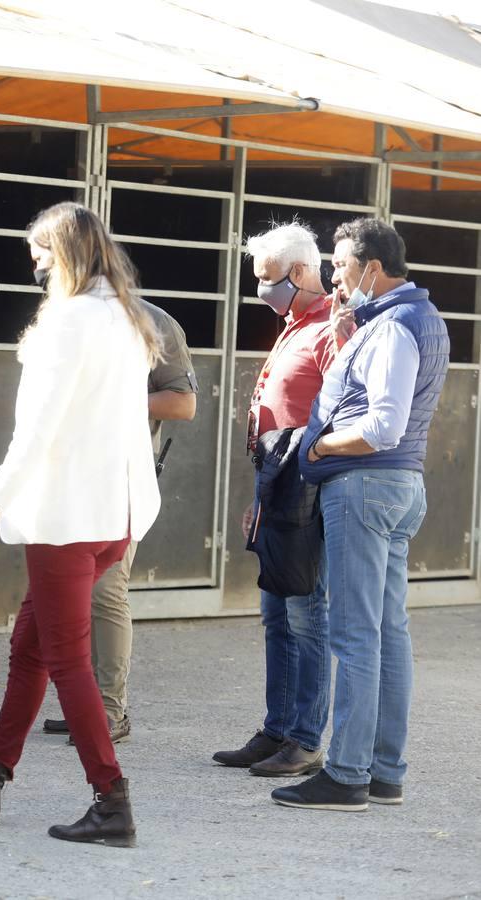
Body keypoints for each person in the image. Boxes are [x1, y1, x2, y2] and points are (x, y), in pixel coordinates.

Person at [0, 202, 160, 848]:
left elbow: (40, 427)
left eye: (42, 253)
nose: (34, 264)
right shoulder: (127, 317)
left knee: (64, 659)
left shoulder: (72, 322)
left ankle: (111, 799)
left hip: (67, 516)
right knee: (31, 647)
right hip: (111, 514)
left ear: (69, 254)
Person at [272, 218, 447, 811]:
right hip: (395, 487)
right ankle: (384, 772)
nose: (337, 280)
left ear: (373, 268)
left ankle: (346, 774)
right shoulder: (410, 319)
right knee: (387, 632)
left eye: (343, 268)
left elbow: (382, 425)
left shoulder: (395, 327)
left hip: (367, 486)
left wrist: (319, 447)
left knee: (355, 632)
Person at [212, 222, 337, 778]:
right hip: (277, 488)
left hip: (307, 492)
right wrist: (259, 496)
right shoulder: (296, 324)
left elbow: (339, 412)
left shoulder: (332, 329)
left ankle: (306, 739)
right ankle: (278, 728)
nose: (264, 291)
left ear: (303, 271)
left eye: (270, 279)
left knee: (307, 617)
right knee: (276, 617)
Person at [42, 299, 196, 743]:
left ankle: (109, 711)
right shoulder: (63, 316)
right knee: (66, 593)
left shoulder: (154, 321)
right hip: (66, 472)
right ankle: (83, 703)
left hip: (120, 475)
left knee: (105, 590)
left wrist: (112, 400)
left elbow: (183, 404)